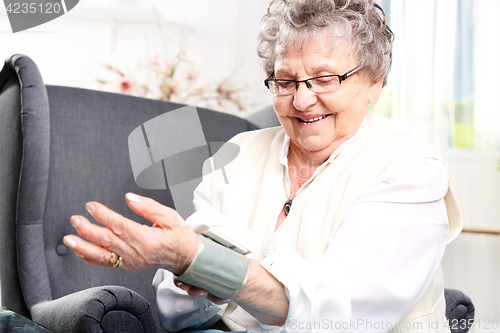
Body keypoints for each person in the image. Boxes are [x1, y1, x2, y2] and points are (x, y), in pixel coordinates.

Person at [63, 0, 463, 332]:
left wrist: (201, 262)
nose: (302, 101)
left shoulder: (411, 171)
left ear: (375, 81)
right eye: (286, 81)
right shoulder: (235, 156)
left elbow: (343, 314)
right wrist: (185, 264)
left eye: (324, 79)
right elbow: (172, 308)